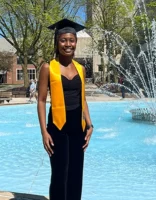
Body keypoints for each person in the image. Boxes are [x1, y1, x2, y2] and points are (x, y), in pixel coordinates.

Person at [37, 18, 93, 200]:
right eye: (63, 40)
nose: (68, 44)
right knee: (60, 173)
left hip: (78, 126)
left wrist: (90, 125)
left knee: (76, 174)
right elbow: (41, 100)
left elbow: (82, 98)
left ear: (76, 42)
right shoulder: (48, 67)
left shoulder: (81, 69)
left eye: (71, 40)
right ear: (57, 42)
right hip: (57, 125)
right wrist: (44, 132)